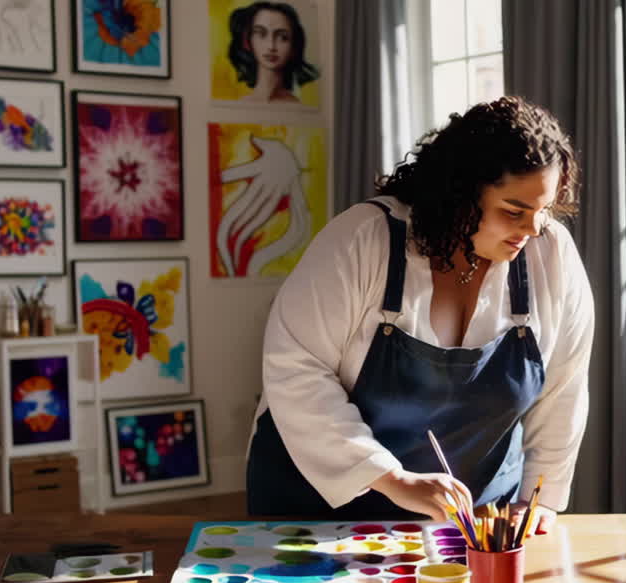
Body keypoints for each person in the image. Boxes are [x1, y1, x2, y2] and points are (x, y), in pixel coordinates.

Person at [246, 97, 594, 534]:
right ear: (463, 193)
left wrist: (537, 499)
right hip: (318, 510)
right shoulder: (363, 240)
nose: (532, 230)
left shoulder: (552, 255)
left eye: (543, 210)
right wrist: (393, 480)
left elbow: (564, 388)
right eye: (513, 211)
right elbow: (295, 370)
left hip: (469, 521)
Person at [227, 1, 319, 104]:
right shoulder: (238, 106)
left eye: (282, 37)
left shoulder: (298, 108)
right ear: (247, 41)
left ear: (294, 46)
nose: (271, 46)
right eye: (261, 34)